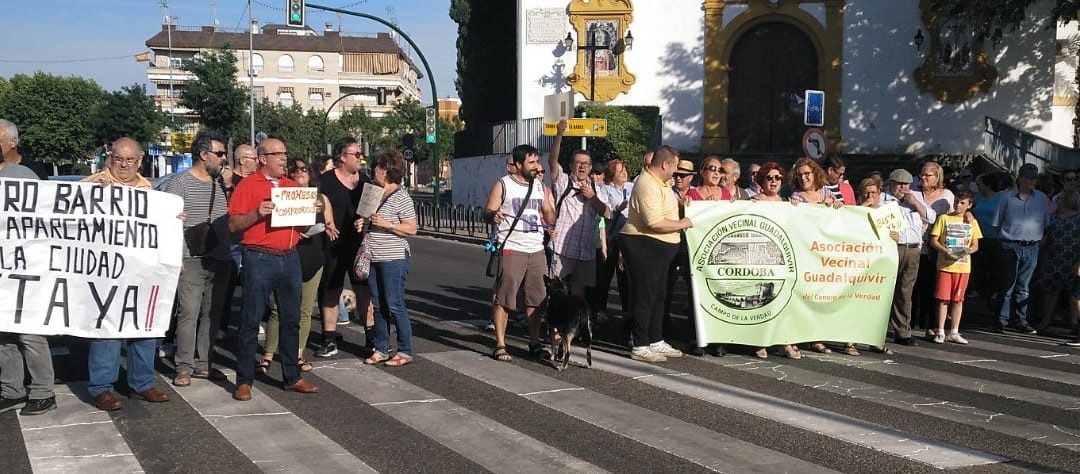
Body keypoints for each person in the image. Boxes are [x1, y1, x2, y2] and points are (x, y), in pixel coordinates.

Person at [82, 138, 172, 411]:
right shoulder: (92, 185)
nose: (124, 165)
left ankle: (142, 383)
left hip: (142, 273)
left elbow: (163, 231)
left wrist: (173, 219)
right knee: (106, 330)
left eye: (130, 160)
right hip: (105, 273)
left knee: (144, 327)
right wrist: (91, 198)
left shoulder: (152, 191)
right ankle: (101, 387)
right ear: (110, 158)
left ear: (140, 160)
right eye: (119, 158)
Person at [228, 138, 320, 401]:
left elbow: (302, 229)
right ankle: (244, 380)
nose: (283, 159)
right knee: (251, 319)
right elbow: (234, 225)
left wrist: (311, 212)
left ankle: (292, 376)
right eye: (277, 154)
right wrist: (257, 213)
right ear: (262, 159)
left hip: (289, 257)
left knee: (291, 320)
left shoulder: (292, 187)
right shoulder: (247, 186)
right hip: (259, 258)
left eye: (285, 153)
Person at [164, 131, 232, 387]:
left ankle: (204, 363)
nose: (224, 159)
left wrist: (229, 187)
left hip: (220, 256)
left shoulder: (220, 184)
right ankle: (184, 366)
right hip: (190, 257)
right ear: (204, 155)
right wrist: (176, 255)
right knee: (189, 312)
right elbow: (169, 222)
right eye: (220, 153)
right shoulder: (179, 183)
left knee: (212, 313)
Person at [484, 144, 556, 361]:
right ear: (517, 164)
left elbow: (548, 215)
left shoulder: (539, 186)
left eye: (537, 162)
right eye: (531, 162)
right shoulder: (503, 185)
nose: (536, 167)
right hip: (511, 248)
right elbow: (488, 211)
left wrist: (551, 210)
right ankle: (500, 344)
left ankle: (534, 343)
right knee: (504, 298)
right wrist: (493, 215)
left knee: (536, 299)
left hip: (536, 249)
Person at [622, 145, 693, 362]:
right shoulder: (646, 184)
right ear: (665, 165)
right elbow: (654, 222)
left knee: (659, 294)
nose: (676, 172)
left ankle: (655, 339)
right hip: (645, 243)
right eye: (674, 167)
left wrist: (682, 206)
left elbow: (665, 211)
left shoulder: (662, 183)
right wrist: (683, 223)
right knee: (646, 295)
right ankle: (640, 344)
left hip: (662, 247)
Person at [260, 157, 331, 374]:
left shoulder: (321, 198)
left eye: (304, 169)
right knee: (279, 310)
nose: (300, 172)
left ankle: (298, 354)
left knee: (305, 310)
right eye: (295, 169)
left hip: (314, 256)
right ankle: (268, 354)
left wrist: (328, 226)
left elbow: (330, 224)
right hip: (289, 254)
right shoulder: (282, 196)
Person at [0, 158, 56, 416]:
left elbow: (45, 215)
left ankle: (43, 391)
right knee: (3, 333)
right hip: (3, 268)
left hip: (27, 267)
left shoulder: (21, 175)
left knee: (29, 332)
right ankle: (12, 390)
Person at [360, 150, 419, 366]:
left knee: (395, 304)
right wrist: (363, 224)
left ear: (386, 170)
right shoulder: (374, 193)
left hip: (393, 256)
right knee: (378, 305)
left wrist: (389, 225)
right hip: (373, 255)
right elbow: (369, 220)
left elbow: (412, 228)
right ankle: (381, 347)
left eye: (376, 166)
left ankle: (405, 349)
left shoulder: (401, 197)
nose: (373, 170)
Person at [315, 137, 369, 357]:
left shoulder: (365, 181)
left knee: (364, 292)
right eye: (356, 154)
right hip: (332, 245)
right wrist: (326, 222)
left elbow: (373, 209)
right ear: (341, 157)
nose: (361, 158)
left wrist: (366, 221)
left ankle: (372, 338)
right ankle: (329, 338)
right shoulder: (325, 181)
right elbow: (316, 204)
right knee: (331, 291)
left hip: (359, 247)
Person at [548, 120, 610, 299]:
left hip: (586, 250)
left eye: (586, 163)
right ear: (571, 166)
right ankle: (555, 326)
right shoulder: (564, 181)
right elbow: (552, 161)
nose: (582, 166)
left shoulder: (596, 189)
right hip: (563, 249)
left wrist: (592, 197)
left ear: (590, 168)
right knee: (557, 290)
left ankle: (573, 325)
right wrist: (559, 134)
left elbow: (606, 213)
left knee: (579, 294)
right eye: (578, 163)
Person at [749, 162, 801, 359]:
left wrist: (796, 210)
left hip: (781, 258)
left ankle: (784, 341)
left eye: (778, 178)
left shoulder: (787, 203)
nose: (773, 181)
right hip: (759, 258)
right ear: (762, 180)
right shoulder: (752, 201)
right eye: (769, 177)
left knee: (782, 300)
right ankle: (760, 340)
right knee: (762, 299)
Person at [994, 163, 1049, 334]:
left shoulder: (1041, 198)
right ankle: (1002, 320)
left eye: (1034, 178)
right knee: (1007, 285)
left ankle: (1021, 320)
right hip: (1010, 243)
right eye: (1028, 178)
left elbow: (1046, 222)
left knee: (1024, 286)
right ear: (1020, 178)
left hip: (1032, 246)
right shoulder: (1007, 197)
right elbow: (997, 223)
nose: (1031, 181)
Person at [883, 169, 934, 347]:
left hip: (912, 249)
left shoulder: (915, 198)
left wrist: (915, 203)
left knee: (905, 291)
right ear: (891, 184)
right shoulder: (884, 200)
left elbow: (931, 216)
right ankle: (878, 328)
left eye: (906, 185)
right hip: (891, 248)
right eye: (899, 184)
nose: (903, 188)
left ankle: (902, 331)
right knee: (885, 290)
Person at [928, 191, 982, 344]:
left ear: (969, 205)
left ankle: (954, 331)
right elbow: (934, 240)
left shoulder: (972, 222)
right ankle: (940, 330)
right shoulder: (944, 218)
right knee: (942, 299)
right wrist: (945, 250)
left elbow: (975, 245)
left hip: (963, 267)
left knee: (958, 300)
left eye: (963, 203)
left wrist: (964, 252)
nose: (958, 205)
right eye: (957, 201)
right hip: (945, 265)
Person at [914, 162, 955, 338]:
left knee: (932, 287)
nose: (923, 178)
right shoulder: (914, 192)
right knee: (913, 286)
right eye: (921, 175)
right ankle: (910, 322)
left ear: (937, 177)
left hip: (935, 245)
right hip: (915, 244)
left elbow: (952, 216)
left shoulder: (946, 195)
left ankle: (931, 324)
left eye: (928, 175)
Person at [1033, 189, 1080, 332]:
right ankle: (1046, 319)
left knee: (1074, 293)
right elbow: (1046, 236)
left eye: (1059, 199)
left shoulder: (1078, 218)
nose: (1057, 201)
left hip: (1074, 258)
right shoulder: (1053, 218)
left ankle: (1075, 322)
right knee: (1051, 290)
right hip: (1054, 258)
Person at [595, 158, 633, 321]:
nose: (624, 173)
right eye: (620, 171)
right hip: (611, 237)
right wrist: (618, 208)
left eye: (625, 169)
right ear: (611, 175)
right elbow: (605, 213)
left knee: (625, 275)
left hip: (628, 236)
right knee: (605, 274)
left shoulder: (632, 187)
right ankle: (601, 309)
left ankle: (626, 310)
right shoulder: (605, 190)